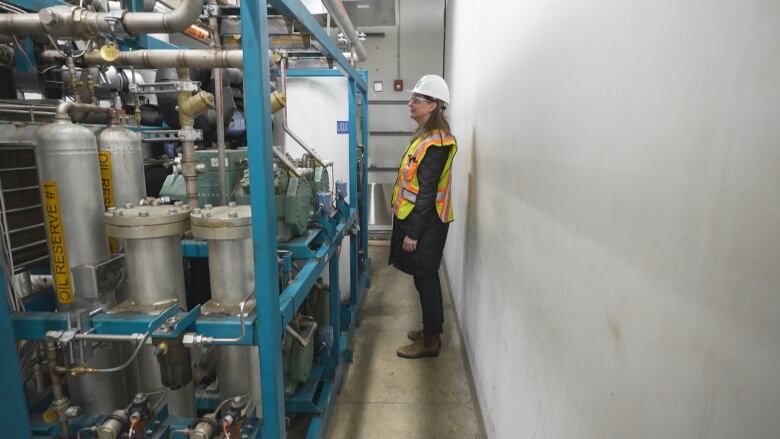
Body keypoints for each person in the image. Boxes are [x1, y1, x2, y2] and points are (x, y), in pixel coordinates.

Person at [389, 74, 457, 359]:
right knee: (424, 279)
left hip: (427, 223)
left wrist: (413, 233)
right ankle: (431, 330)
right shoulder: (426, 138)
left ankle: (430, 342)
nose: (411, 103)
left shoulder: (436, 144)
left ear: (433, 106)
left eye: (417, 99)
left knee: (425, 279)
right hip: (423, 220)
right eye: (412, 99)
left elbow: (427, 194)